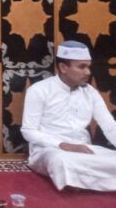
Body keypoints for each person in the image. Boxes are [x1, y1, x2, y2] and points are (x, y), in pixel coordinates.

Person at [21, 40, 116, 191]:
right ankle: (87, 181)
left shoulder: (90, 92)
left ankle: (81, 182)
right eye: (82, 67)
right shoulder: (39, 90)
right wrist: (63, 145)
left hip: (84, 150)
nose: (88, 72)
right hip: (50, 150)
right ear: (63, 67)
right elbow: (28, 131)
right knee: (62, 161)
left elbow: (109, 126)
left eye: (88, 67)